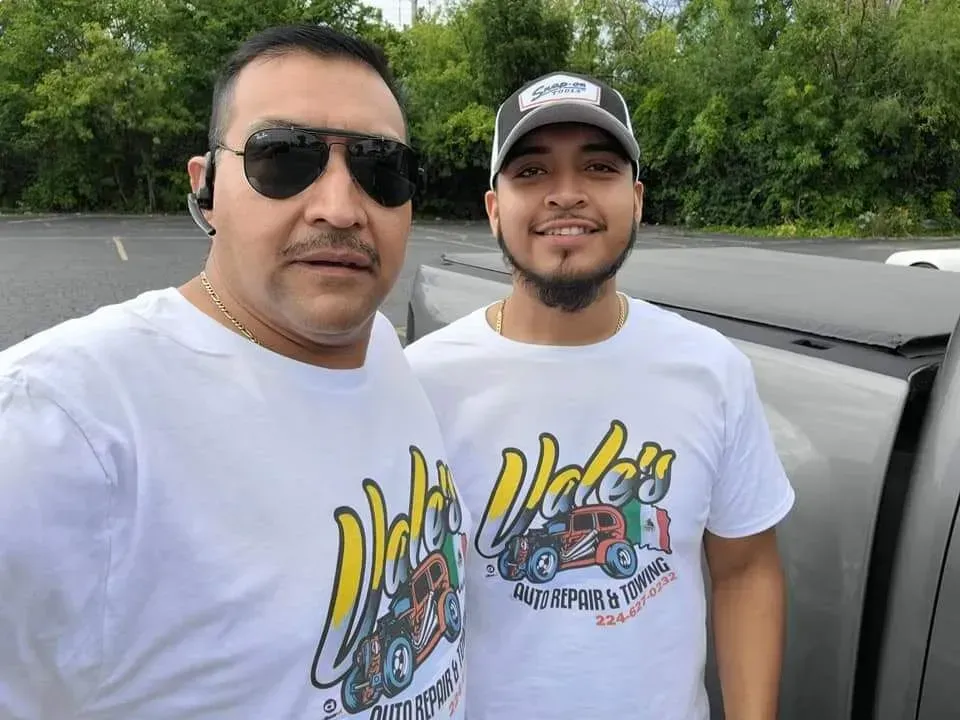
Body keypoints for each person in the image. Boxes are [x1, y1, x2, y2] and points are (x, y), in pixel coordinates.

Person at [0, 24, 469, 720]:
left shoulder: (385, 355)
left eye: (380, 167)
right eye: (284, 158)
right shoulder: (63, 426)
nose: (340, 208)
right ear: (207, 187)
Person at [403, 70, 795, 720]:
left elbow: (745, 570)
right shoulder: (419, 385)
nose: (566, 195)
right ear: (494, 209)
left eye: (599, 167)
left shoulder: (710, 370)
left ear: (635, 199)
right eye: (531, 172)